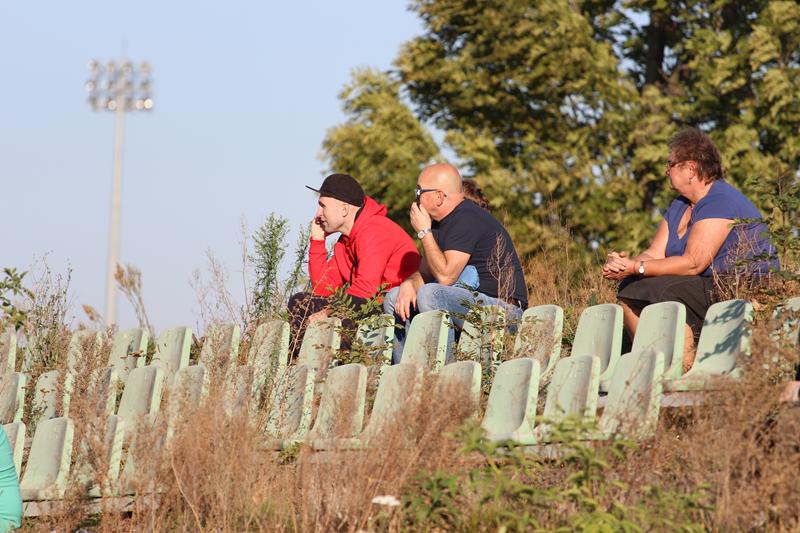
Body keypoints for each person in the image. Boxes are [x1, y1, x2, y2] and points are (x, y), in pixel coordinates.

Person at [602, 127, 778, 371]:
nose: (666, 170)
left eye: (670, 164)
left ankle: (685, 370)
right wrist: (626, 266)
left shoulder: (720, 200)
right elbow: (654, 254)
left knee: (667, 290)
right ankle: (650, 366)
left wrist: (637, 267)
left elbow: (693, 263)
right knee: (630, 288)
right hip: (707, 284)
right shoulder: (680, 204)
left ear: (691, 169)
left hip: (742, 285)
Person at [384, 163, 529, 364]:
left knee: (430, 294)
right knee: (394, 297)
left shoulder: (466, 218)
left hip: (503, 310)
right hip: (469, 302)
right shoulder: (439, 223)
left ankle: (444, 372)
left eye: (419, 191)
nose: (415, 198)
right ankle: (408, 372)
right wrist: (409, 284)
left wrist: (424, 233)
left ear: (439, 196)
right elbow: (425, 272)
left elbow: (445, 277)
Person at [288, 173, 421, 356]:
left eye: (322, 206)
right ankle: (304, 364)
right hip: (369, 306)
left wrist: (328, 312)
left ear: (344, 209)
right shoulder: (345, 242)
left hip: (398, 313)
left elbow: (365, 292)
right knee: (301, 302)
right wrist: (317, 241)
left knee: (344, 317)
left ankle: (331, 367)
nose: (318, 214)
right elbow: (323, 290)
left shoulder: (374, 229)